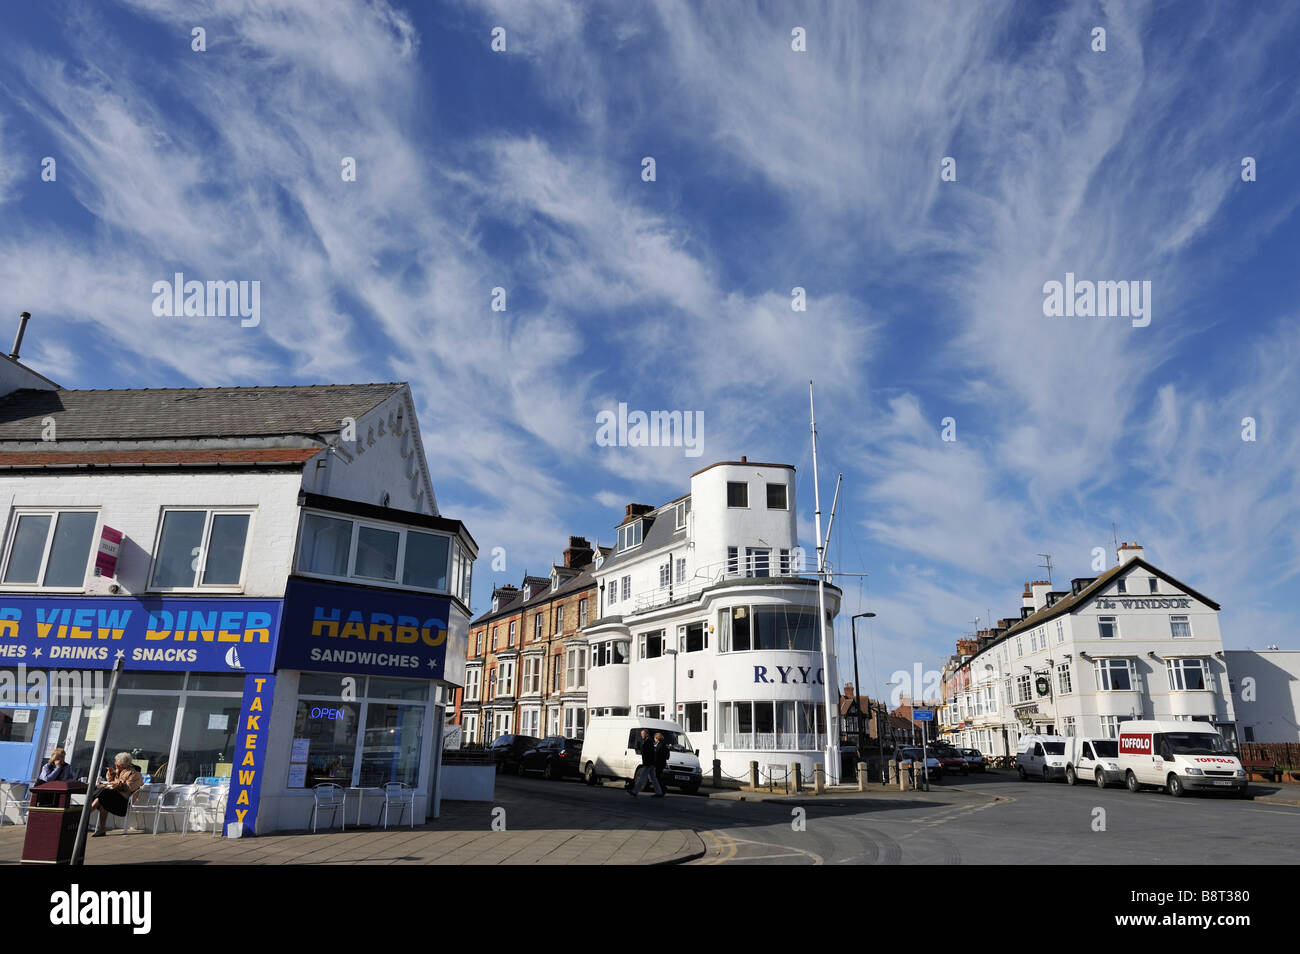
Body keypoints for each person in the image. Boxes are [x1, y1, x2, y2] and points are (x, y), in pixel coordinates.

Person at [89, 752, 143, 836]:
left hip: (123, 802)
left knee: (103, 794)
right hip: (115, 796)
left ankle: (83, 819)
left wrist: (116, 784)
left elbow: (128, 788)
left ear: (122, 764)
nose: (115, 763)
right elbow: (111, 782)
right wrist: (111, 774)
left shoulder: (135, 773)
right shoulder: (119, 770)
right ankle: (101, 829)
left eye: (116, 762)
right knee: (102, 798)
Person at [628, 729, 663, 797]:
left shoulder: (648, 742)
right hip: (650, 763)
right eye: (641, 734)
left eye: (643, 734)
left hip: (648, 763)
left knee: (642, 777)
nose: (642, 735)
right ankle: (659, 792)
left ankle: (635, 791)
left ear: (647, 734)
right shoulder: (647, 741)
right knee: (653, 778)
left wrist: (648, 762)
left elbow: (649, 753)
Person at [652, 731, 670, 798]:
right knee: (659, 777)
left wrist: (654, 763)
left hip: (659, 764)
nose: (654, 740)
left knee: (657, 778)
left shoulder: (659, 745)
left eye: (654, 738)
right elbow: (667, 756)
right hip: (663, 763)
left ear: (657, 738)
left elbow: (657, 756)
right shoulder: (664, 745)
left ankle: (662, 790)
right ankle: (662, 790)